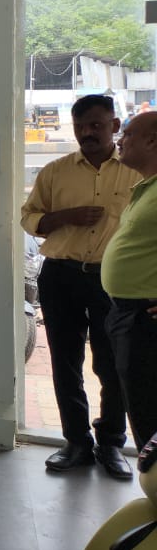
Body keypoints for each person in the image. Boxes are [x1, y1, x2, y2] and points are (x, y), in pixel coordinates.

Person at [20, 94, 138, 478]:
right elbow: (29, 218)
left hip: (114, 281)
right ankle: (76, 442)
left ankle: (111, 444)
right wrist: (64, 217)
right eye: (80, 126)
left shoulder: (136, 173)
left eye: (96, 125)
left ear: (114, 126)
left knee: (113, 364)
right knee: (65, 362)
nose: (87, 133)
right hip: (61, 276)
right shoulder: (55, 172)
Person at [103, 111, 157, 451]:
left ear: (152, 141)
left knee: (148, 411)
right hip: (126, 314)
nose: (120, 141)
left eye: (128, 134)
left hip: (146, 320)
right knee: (139, 405)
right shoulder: (147, 187)